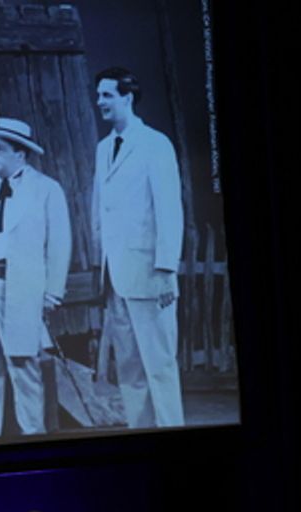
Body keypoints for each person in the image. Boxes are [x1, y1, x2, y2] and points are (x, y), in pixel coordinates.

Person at [0, 118, 71, 436]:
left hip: (20, 288)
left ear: (19, 154)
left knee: (23, 367)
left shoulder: (46, 189)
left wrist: (51, 294)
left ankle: (33, 436)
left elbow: (60, 244)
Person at [92, 66, 185, 427]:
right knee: (129, 367)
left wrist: (166, 271)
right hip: (116, 277)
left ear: (127, 98)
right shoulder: (103, 149)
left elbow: (168, 209)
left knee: (159, 366)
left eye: (107, 95)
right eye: (98, 95)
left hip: (149, 274)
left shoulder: (154, 144)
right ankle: (141, 434)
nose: (100, 101)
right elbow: (99, 207)